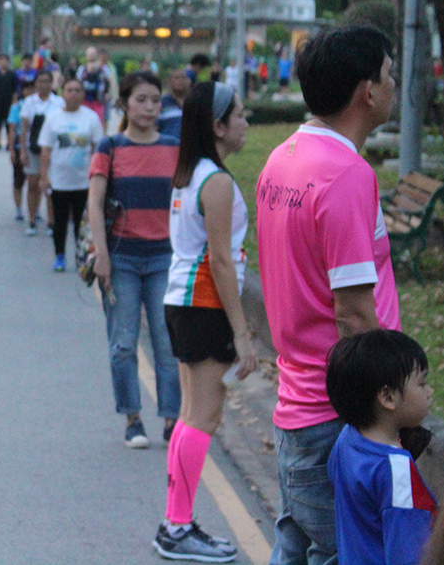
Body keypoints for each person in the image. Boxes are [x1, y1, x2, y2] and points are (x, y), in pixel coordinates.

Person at [255, 25, 399, 565]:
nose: (392, 85)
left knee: (295, 545)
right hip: (337, 415)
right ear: (367, 91)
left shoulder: (283, 159)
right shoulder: (345, 175)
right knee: (344, 555)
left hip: (298, 402)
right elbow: (357, 314)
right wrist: (386, 412)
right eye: (389, 74)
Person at [155, 81, 258, 562]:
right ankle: (177, 527)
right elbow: (221, 261)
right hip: (203, 303)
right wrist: (242, 332)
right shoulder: (215, 181)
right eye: (238, 114)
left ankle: (175, 523)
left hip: (184, 301)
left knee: (192, 415)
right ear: (217, 125)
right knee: (204, 417)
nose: (245, 121)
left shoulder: (192, 172)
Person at [88, 72, 181, 449]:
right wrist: (102, 255)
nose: (149, 107)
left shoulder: (175, 148)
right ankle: (132, 418)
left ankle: (172, 420)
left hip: (164, 259)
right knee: (123, 342)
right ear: (124, 103)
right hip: (122, 257)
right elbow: (94, 203)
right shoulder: (109, 147)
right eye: (141, 99)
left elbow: (187, 204)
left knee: (167, 344)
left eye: (155, 100)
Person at [326, 330, 436, 565]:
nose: (429, 391)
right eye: (422, 383)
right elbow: (410, 553)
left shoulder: (348, 439)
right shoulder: (398, 471)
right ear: (387, 397)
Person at [39, 78, 103, 273]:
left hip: (83, 181)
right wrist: (44, 177)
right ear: (62, 93)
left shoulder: (91, 118)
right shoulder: (53, 118)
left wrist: (97, 178)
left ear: (83, 94)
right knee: (59, 222)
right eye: (69, 90)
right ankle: (59, 255)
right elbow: (46, 150)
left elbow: (97, 150)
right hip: (59, 181)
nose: (73, 94)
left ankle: (81, 256)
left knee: (81, 224)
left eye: (77, 90)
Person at [20, 69, 59, 236]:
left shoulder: (58, 102)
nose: (44, 85)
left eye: (47, 81)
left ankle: (52, 221)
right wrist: (22, 150)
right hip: (33, 148)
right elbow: (24, 128)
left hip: (52, 150)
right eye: (40, 81)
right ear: (36, 83)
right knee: (32, 184)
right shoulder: (29, 102)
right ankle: (32, 219)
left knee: (50, 186)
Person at [7, 79, 32, 221]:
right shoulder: (17, 108)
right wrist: (11, 150)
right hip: (19, 146)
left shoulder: (38, 106)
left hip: (34, 147)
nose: (30, 92)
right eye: (27, 89)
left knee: (34, 181)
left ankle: (34, 210)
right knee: (18, 180)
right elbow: (12, 130)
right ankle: (18, 208)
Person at [0, 53, 18, 150]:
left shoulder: (12, 74)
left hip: (8, 103)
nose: (3, 63)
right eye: (1, 61)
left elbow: (15, 91)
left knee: (8, 124)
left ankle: (8, 143)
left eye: (5, 61)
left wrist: (14, 103)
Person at [76, 47, 109, 124]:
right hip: (85, 100)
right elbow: (78, 82)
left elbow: (108, 82)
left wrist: (108, 93)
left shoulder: (103, 68)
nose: (91, 56)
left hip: (98, 100)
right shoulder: (82, 68)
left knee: (98, 121)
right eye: (89, 54)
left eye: (93, 54)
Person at [157, 67, 191, 140]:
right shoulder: (162, 103)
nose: (181, 81)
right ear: (169, 82)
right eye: (176, 78)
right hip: (168, 147)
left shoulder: (193, 102)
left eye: (183, 78)